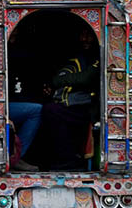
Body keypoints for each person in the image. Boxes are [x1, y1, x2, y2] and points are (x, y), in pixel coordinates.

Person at [37, 26, 99, 169]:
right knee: (45, 110)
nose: (85, 40)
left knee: (51, 111)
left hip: (91, 108)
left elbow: (86, 78)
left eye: (89, 35)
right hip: (73, 105)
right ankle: (59, 159)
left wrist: (53, 83)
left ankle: (67, 160)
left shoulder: (100, 55)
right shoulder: (77, 57)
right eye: (82, 35)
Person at [7, 28, 43, 171]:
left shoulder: (17, 54)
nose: (13, 37)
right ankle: (16, 156)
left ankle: (16, 156)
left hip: (5, 103)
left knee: (36, 109)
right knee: (36, 111)